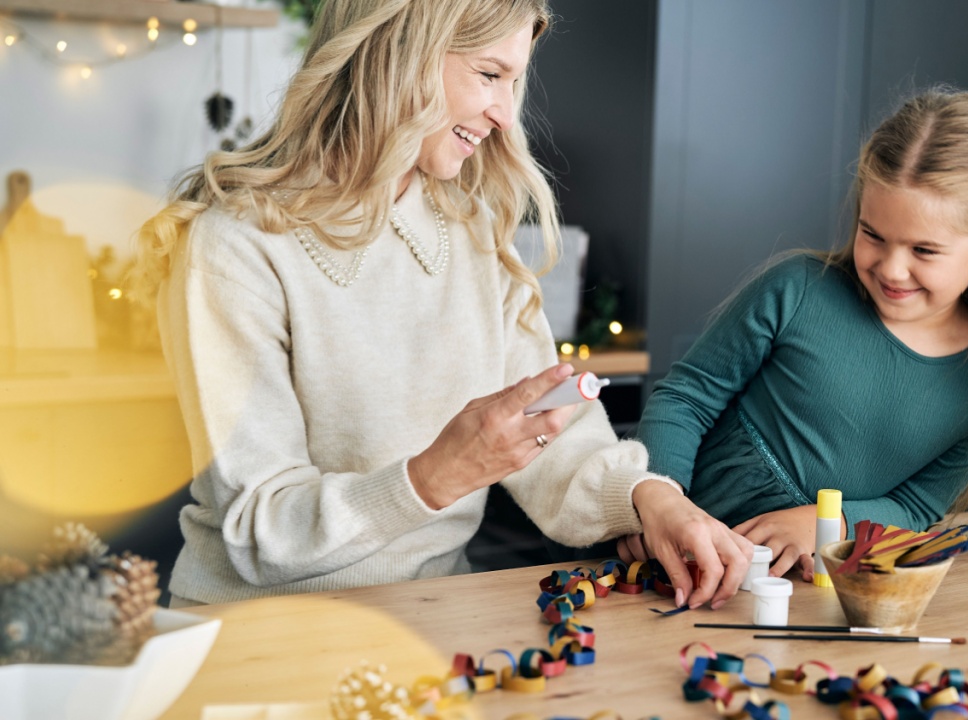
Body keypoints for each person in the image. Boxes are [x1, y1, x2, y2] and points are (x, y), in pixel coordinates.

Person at [132, 0, 750, 608]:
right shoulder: (234, 244)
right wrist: (434, 476)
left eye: (515, 81)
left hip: (431, 617)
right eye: (488, 74)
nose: (506, 114)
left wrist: (650, 498)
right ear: (399, 54)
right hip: (265, 631)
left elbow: (552, 440)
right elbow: (259, 527)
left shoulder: (474, 230)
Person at [626, 88, 968, 582]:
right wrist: (660, 501)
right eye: (872, 234)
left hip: (799, 593)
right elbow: (686, 399)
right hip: (660, 566)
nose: (892, 268)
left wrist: (830, 523)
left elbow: (918, 505)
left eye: (924, 250)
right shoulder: (796, 289)